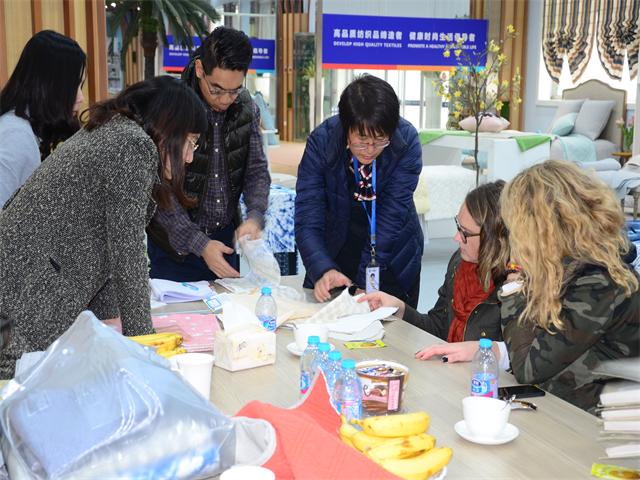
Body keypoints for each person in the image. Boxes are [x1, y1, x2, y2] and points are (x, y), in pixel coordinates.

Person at [0, 76, 207, 377]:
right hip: (23, 297)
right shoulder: (133, 145)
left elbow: (108, 250)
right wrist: (143, 346)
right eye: (190, 142)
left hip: (21, 288)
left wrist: (110, 327)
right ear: (168, 127)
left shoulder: (114, 131)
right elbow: (127, 252)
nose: (189, 157)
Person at [420, 161, 640, 413]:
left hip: (598, 421)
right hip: (565, 407)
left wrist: (514, 287)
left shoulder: (597, 282)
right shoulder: (564, 265)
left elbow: (530, 368)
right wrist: (494, 350)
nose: (510, 235)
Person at [146, 26, 270, 282]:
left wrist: (255, 216)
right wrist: (199, 243)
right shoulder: (172, 107)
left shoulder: (246, 108)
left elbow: (256, 171)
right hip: (175, 249)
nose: (225, 99)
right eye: (216, 89)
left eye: (234, 90)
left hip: (224, 243)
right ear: (200, 69)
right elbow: (159, 189)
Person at [295, 75, 423, 307]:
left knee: (392, 327)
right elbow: (308, 216)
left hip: (391, 256)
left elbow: (390, 218)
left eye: (380, 139)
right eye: (362, 140)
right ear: (346, 127)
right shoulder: (322, 142)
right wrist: (322, 268)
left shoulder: (406, 142)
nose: (370, 149)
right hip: (336, 253)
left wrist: (365, 283)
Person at [360, 181, 509, 345]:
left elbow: (513, 357)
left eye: (465, 233)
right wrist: (399, 308)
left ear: (494, 239)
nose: (456, 238)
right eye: (458, 226)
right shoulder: (459, 264)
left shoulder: (514, 288)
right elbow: (438, 328)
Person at [0, 30, 86, 206]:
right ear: (50, 85)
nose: (81, 97)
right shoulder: (16, 136)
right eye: (74, 86)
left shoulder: (24, 128)